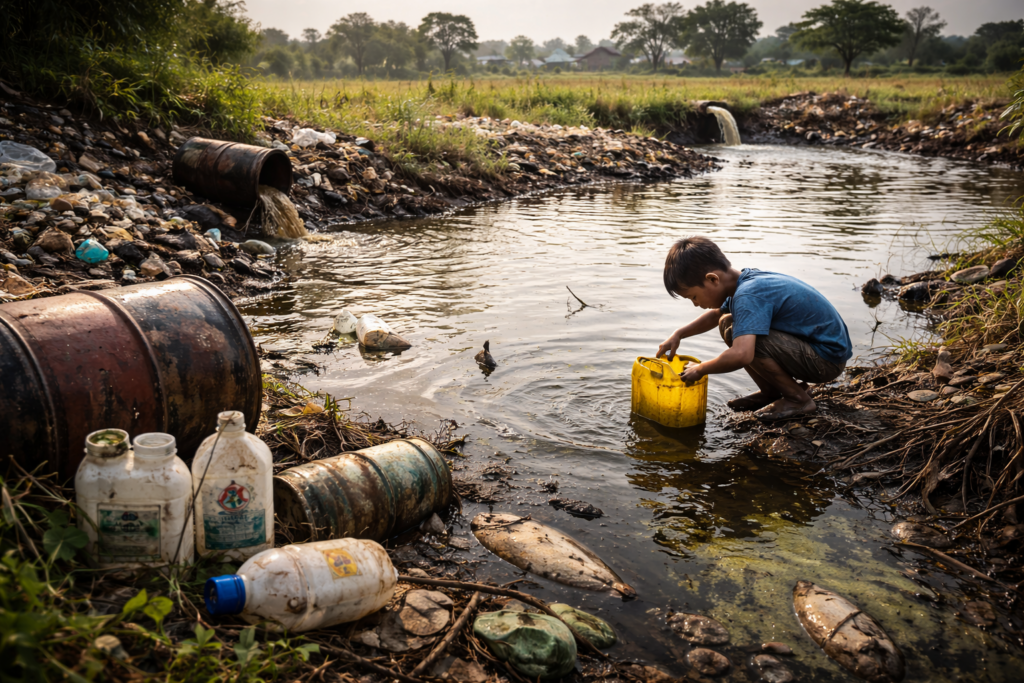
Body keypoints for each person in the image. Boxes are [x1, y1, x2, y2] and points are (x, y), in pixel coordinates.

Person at [656, 236, 852, 420]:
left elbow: (742, 355)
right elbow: (716, 315)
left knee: (747, 340)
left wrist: (701, 369)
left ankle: (798, 400)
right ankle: (772, 392)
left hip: (826, 361)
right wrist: (679, 334)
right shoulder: (742, 283)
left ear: (713, 279)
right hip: (816, 351)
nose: (695, 304)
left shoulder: (749, 295)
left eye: (694, 297)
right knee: (727, 321)